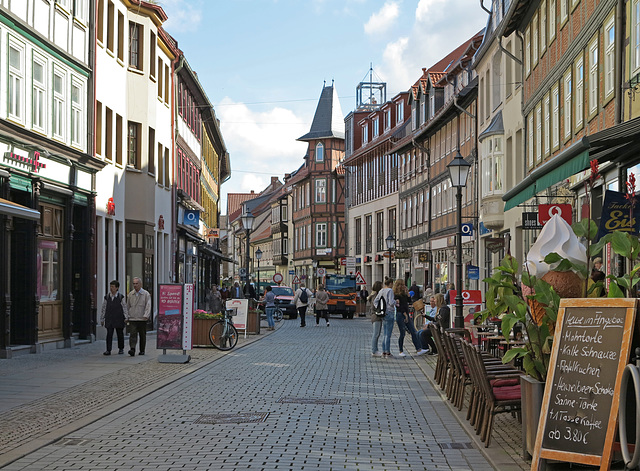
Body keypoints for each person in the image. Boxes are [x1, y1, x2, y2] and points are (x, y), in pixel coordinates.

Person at [393, 279, 428, 357]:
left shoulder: (404, 293)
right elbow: (399, 306)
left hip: (406, 314)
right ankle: (401, 350)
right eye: (401, 285)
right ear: (398, 286)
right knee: (402, 333)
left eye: (404, 285)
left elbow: (409, 301)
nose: (403, 286)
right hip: (400, 314)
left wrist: (408, 294)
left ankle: (418, 348)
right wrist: (405, 314)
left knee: (413, 331)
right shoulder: (396, 295)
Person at [100, 280, 128, 355]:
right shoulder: (107, 297)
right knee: (109, 334)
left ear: (117, 288)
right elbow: (104, 308)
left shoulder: (120, 297)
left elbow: (124, 307)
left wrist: (126, 317)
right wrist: (102, 318)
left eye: (113, 287)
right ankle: (108, 349)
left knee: (120, 334)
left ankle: (121, 348)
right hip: (109, 318)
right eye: (110, 286)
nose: (111, 288)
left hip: (119, 317)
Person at [126, 277, 151, 356]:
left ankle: (142, 350)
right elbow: (127, 306)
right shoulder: (130, 294)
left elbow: (148, 305)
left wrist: (146, 315)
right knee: (132, 334)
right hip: (133, 317)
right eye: (134, 283)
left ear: (140, 284)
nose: (135, 285)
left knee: (142, 335)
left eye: (137, 283)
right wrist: (127, 316)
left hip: (142, 318)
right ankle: (132, 349)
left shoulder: (145, 294)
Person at [374, 278, 397, 358]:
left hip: (383, 314)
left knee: (384, 334)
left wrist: (380, 308)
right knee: (388, 334)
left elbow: (375, 301)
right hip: (389, 312)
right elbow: (391, 302)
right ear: (390, 283)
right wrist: (396, 302)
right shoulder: (390, 291)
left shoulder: (381, 291)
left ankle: (384, 351)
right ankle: (387, 352)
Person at [368, 281, 384, 356]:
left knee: (376, 333)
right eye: (381, 286)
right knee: (376, 334)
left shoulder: (375, 295)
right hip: (376, 316)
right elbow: (375, 306)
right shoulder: (376, 296)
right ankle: (374, 350)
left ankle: (375, 350)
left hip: (375, 316)